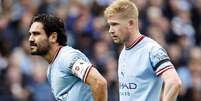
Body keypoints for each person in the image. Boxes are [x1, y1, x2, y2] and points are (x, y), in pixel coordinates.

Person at [104, 0, 182, 101]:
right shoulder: (123, 52)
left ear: (131, 23)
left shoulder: (152, 50)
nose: (110, 30)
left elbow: (174, 82)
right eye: (110, 25)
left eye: (115, 24)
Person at [28, 14, 107, 101]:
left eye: (36, 34)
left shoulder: (67, 57)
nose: (30, 39)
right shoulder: (51, 69)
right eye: (30, 34)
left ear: (53, 37)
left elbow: (99, 82)